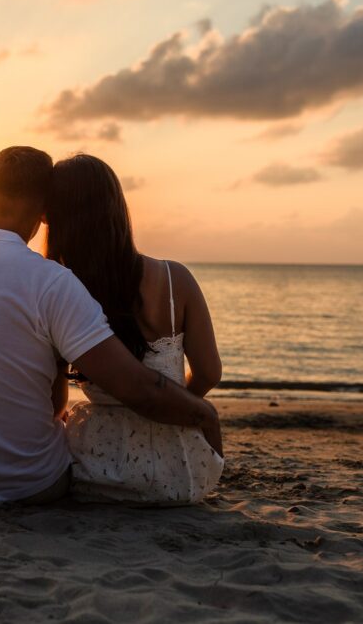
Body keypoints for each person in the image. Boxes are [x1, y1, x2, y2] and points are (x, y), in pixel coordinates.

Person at [0, 146, 220, 506]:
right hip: (30, 486)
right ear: (43, 212)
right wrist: (201, 413)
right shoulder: (52, 282)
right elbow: (140, 386)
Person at [46, 154, 224, 505]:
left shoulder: (65, 291)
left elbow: (55, 402)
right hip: (181, 472)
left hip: (98, 470)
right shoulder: (177, 279)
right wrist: (172, 407)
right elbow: (210, 372)